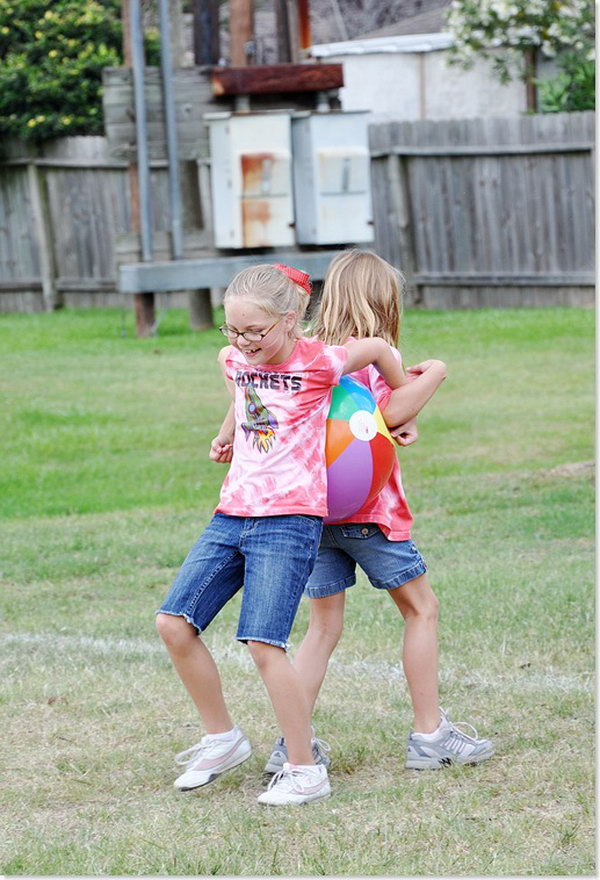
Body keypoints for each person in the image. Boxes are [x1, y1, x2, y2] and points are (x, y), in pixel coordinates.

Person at [155, 262, 408, 807]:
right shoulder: (234, 358)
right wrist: (226, 434)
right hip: (232, 514)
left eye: (255, 331)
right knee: (173, 623)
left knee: (264, 643)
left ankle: (303, 768)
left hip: (290, 522)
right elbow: (242, 396)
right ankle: (222, 739)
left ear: (291, 321)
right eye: (233, 330)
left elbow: (378, 351)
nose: (243, 342)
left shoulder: (320, 361)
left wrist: (401, 402)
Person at [263, 249, 495, 776]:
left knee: (323, 629)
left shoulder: (310, 355)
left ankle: (290, 744)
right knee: (421, 609)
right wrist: (435, 373)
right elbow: (387, 412)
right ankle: (430, 735)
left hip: (313, 514)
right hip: (369, 515)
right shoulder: (367, 352)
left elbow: (372, 423)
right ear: (384, 301)